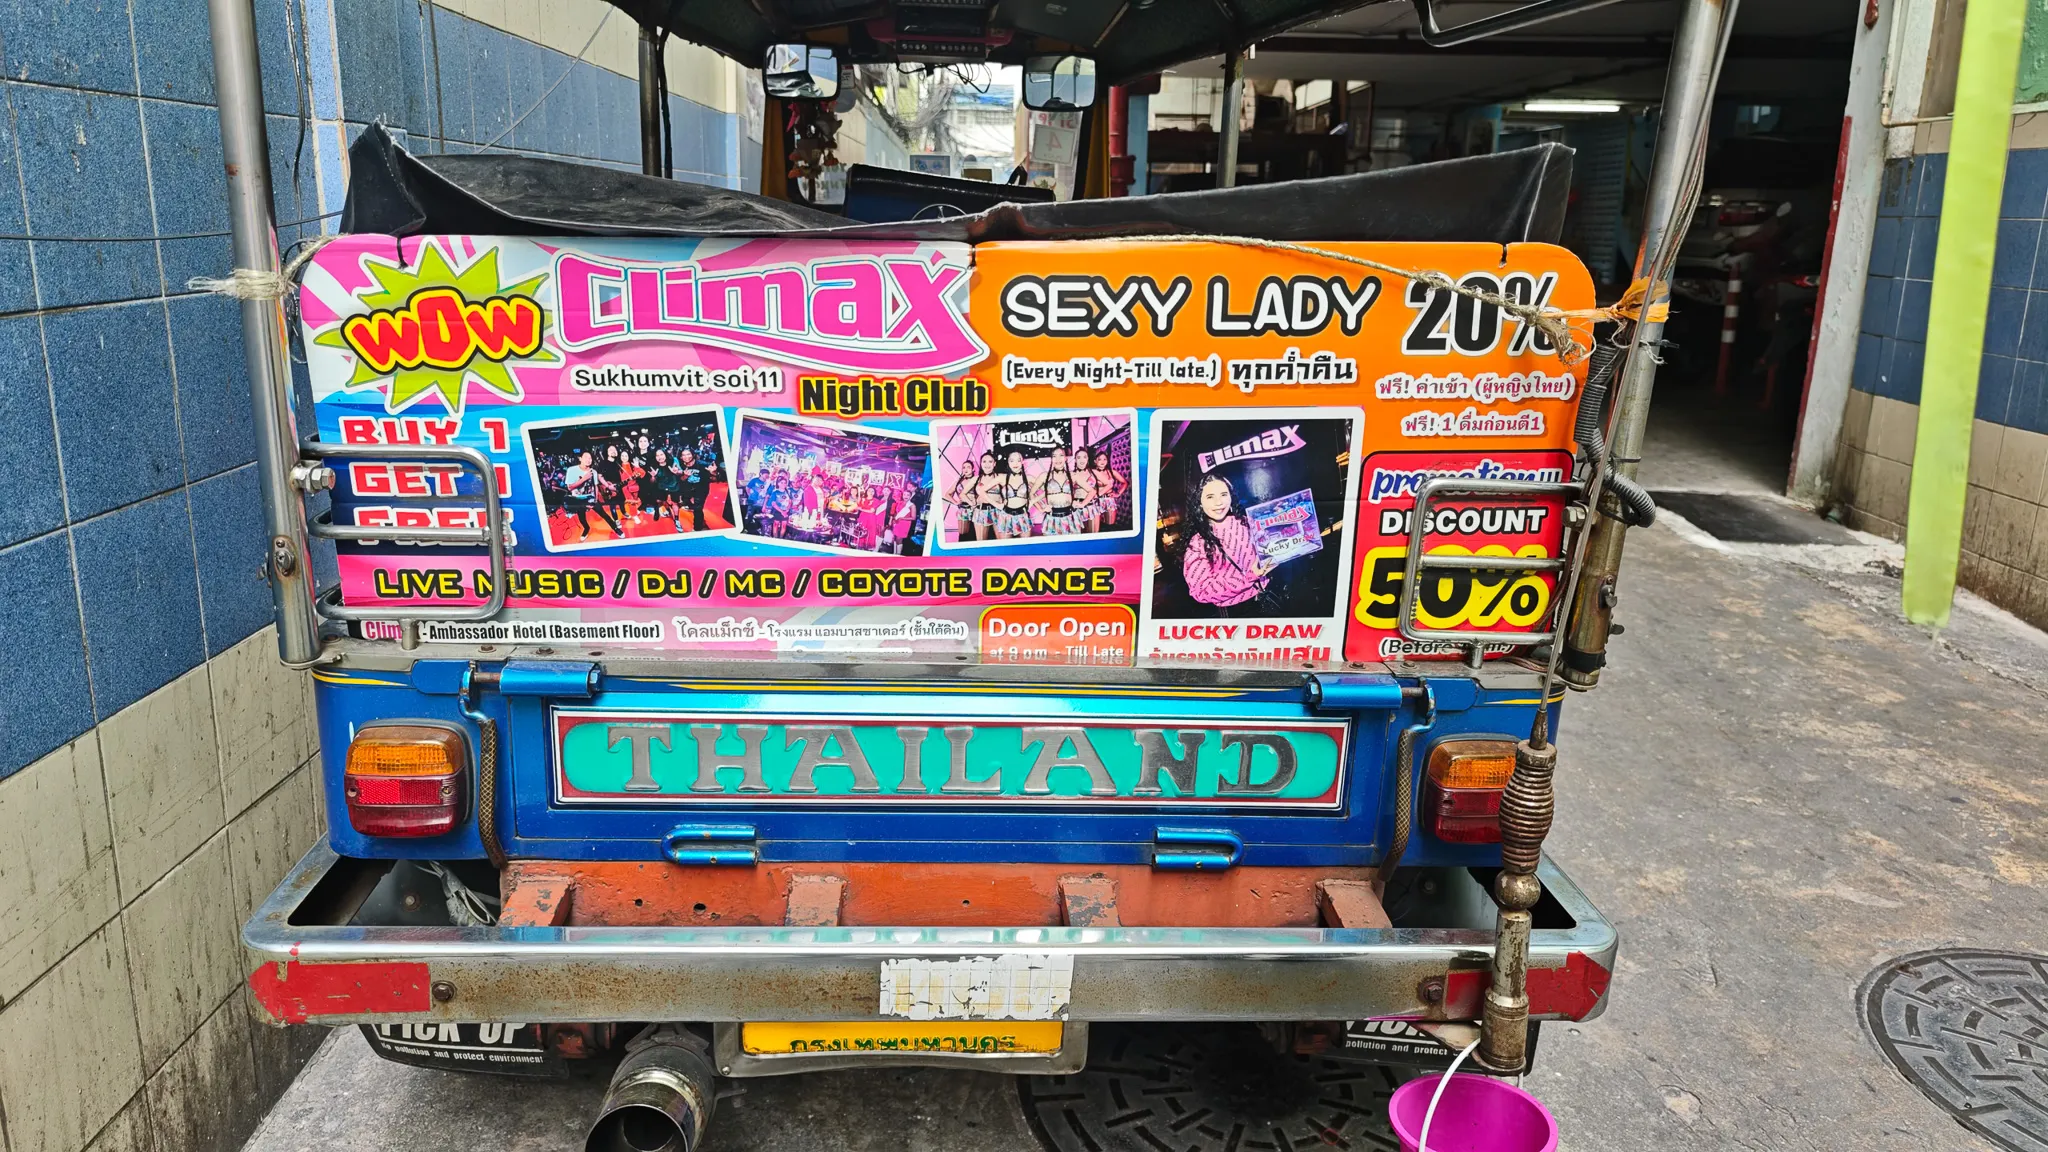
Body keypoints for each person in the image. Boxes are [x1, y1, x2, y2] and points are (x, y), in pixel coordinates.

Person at [1180, 471, 1270, 615]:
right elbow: (1200, 591)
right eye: (1210, 497)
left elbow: (1269, 551)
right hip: (1237, 612)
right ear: (1200, 503)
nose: (1219, 502)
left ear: (1231, 496)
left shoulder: (1247, 522)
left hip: (1268, 598)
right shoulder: (1197, 543)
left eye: (1223, 494)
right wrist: (1249, 576)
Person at [561, 450, 622, 540]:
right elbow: (570, 488)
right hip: (578, 500)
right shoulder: (572, 470)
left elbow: (596, 486)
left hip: (591, 498)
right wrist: (584, 479)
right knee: (582, 518)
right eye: (586, 457)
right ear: (580, 458)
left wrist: (595, 499)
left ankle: (616, 529)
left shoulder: (594, 471)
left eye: (590, 458)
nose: (588, 460)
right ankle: (586, 528)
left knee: (604, 515)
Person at [1039, 446, 1082, 537]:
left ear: (1066, 458)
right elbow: (1031, 493)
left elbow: (1092, 491)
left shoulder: (1072, 475)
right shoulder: (1045, 476)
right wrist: (1041, 508)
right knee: (1051, 549)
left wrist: (1081, 504)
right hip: (1051, 518)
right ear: (1051, 459)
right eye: (1054, 456)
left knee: (1072, 548)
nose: (1058, 459)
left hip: (1070, 518)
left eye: (1061, 455)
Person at [995, 450, 1032, 540]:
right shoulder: (1002, 478)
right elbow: (982, 490)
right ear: (1008, 462)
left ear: (1022, 461)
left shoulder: (1028, 478)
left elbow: (1047, 489)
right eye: (1012, 460)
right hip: (1006, 516)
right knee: (1005, 549)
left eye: (1018, 460)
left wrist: (1034, 501)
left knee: (1025, 549)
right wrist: (997, 505)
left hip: (1023, 516)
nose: (1015, 463)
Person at [1091, 446, 1127, 531]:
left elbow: (1125, 482)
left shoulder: (1112, 472)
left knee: (1110, 527)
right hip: (1096, 501)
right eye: (1100, 459)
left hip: (1109, 500)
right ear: (1095, 461)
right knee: (1096, 528)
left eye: (1105, 459)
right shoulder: (1091, 473)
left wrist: (1118, 493)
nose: (1102, 462)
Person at [676, 446, 712, 531]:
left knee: (698, 509)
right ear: (681, 457)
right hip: (688, 489)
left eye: (688, 454)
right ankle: (691, 506)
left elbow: (714, 478)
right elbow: (681, 480)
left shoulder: (703, 465)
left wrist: (713, 473)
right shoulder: (680, 466)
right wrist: (685, 476)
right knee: (687, 502)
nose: (686, 457)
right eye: (683, 455)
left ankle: (697, 528)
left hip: (701, 490)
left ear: (693, 455)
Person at [970, 451, 1002, 542]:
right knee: (981, 543)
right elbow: (962, 494)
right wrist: (971, 502)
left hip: (998, 511)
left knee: (1002, 543)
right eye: (984, 461)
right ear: (980, 463)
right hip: (981, 511)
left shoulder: (1000, 477)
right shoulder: (976, 479)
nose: (987, 464)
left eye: (990, 461)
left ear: (994, 463)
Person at [1071, 447, 1099, 534]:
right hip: (1076, 508)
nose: (1082, 460)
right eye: (1078, 457)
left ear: (1088, 459)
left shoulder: (1094, 472)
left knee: (1093, 537)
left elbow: (1109, 484)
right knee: (1076, 538)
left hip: (1091, 507)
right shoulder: (1071, 474)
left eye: (1084, 457)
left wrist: (1100, 493)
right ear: (1075, 460)